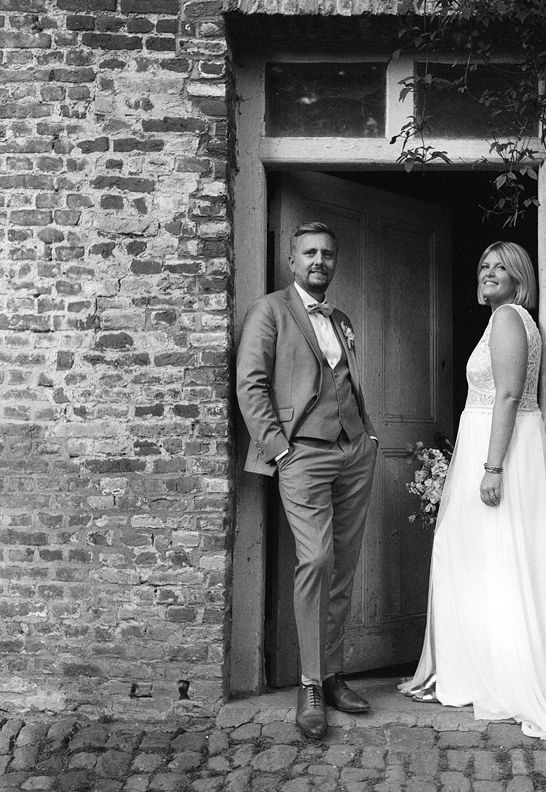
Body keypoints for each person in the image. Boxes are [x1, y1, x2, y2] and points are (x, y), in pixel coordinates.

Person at [399, 241, 546, 740]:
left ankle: (492, 674)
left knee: (484, 557)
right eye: (484, 266)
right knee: (481, 558)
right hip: (493, 443)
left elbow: (511, 395)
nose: (489, 273)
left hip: (500, 451)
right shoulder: (507, 319)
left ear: (520, 279)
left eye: (501, 267)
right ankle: (475, 668)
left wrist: (492, 467)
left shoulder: (510, 320)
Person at [237, 221, 378, 739]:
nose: (319, 261)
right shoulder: (270, 311)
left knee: (342, 567)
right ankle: (310, 683)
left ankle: (335, 673)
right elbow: (251, 385)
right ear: (292, 261)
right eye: (310, 253)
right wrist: (280, 450)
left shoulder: (341, 319)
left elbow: (349, 382)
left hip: (354, 451)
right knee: (315, 559)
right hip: (303, 456)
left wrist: (369, 438)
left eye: (327, 253)